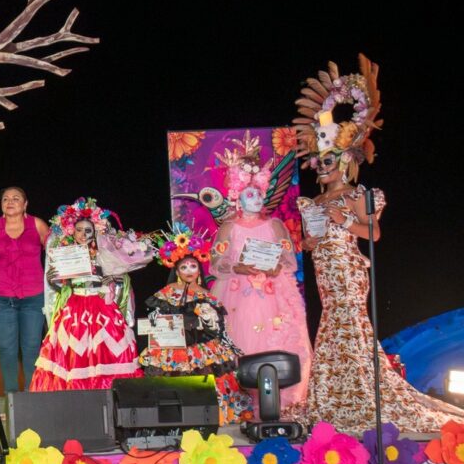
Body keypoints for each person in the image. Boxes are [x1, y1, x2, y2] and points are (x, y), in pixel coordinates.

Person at [285, 55, 464, 432]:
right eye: (320, 162)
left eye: (330, 160)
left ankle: (364, 396)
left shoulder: (358, 194)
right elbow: (308, 245)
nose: (323, 167)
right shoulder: (312, 203)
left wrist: (345, 219)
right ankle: (335, 397)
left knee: (351, 325)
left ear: (347, 160)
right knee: (331, 327)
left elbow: (374, 234)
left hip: (350, 273)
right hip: (326, 275)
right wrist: (313, 238)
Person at [209, 131, 312, 409]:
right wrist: (238, 266)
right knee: (242, 339)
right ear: (238, 198)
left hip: (272, 292)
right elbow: (217, 262)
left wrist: (275, 266)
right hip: (238, 293)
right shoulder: (228, 228)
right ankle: (241, 402)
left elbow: (289, 258)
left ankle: (277, 401)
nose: (255, 198)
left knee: (274, 339)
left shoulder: (275, 225)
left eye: (258, 194)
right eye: (249, 194)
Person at [30, 198, 153, 391]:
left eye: (88, 230)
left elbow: (123, 280)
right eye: (79, 230)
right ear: (72, 231)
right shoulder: (66, 253)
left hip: (101, 307)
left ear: (95, 231)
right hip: (75, 308)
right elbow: (63, 285)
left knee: (107, 351)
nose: (83, 234)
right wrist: (54, 279)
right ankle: (76, 398)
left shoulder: (105, 254)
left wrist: (112, 281)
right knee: (72, 353)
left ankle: (106, 395)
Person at [139, 229, 253, 425]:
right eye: (184, 267)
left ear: (199, 270)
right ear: (176, 270)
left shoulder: (206, 294)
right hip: (173, 346)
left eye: (193, 266)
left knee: (209, 379)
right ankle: (172, 416)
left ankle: (211, 415)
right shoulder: (167, 292)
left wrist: (206, 320)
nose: (189, 271)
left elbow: (216, 327)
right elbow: (154, 318)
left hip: (202, 348)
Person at [0, 186, 50, 400]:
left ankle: (32, 397)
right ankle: (12, 399)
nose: (10, 202)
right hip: (3, 296)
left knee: (31, 348)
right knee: (6, 348)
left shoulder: (38, 225)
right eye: (5, 198)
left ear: (25, 204)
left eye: (16, 198)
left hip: (33, 296)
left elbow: (56, 255)